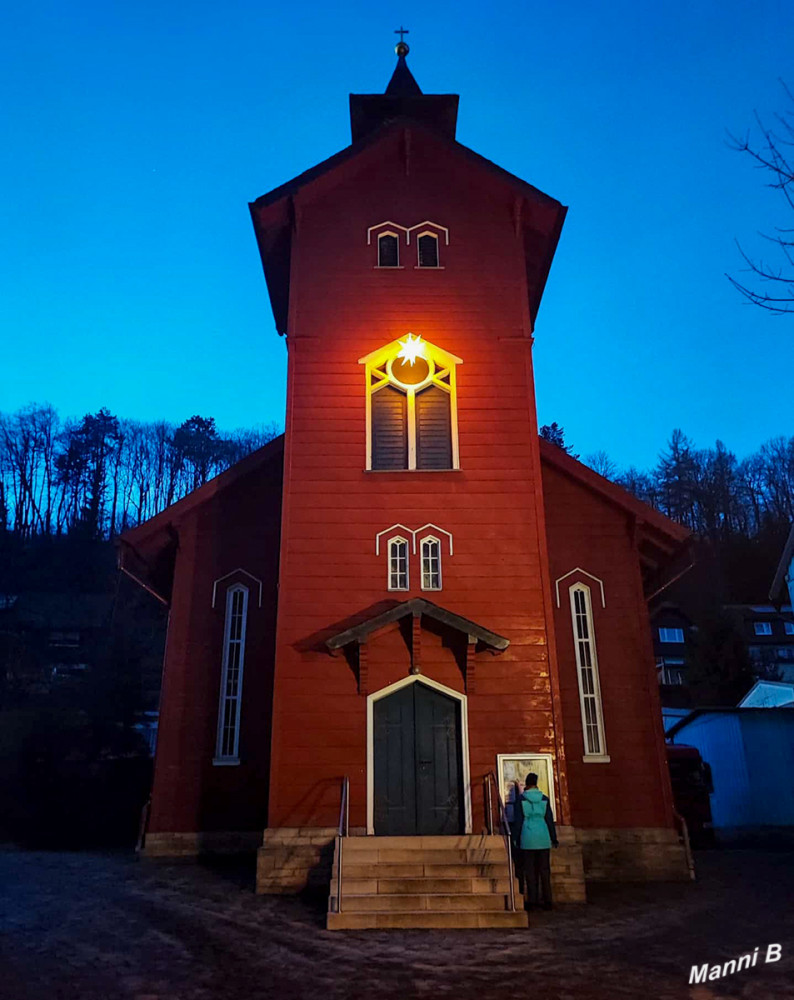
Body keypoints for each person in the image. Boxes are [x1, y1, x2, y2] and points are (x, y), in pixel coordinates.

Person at [516, 772, 558, 911]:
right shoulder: (544, 799)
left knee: (530, 872)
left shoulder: (521, 800)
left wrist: (516, 838)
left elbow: (518, 821)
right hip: (543, 837)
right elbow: (549, 820)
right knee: (544, 871)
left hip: (527, 838)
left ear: (527, 783)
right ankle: (547, 900)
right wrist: (553, 838)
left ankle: (532, 900)